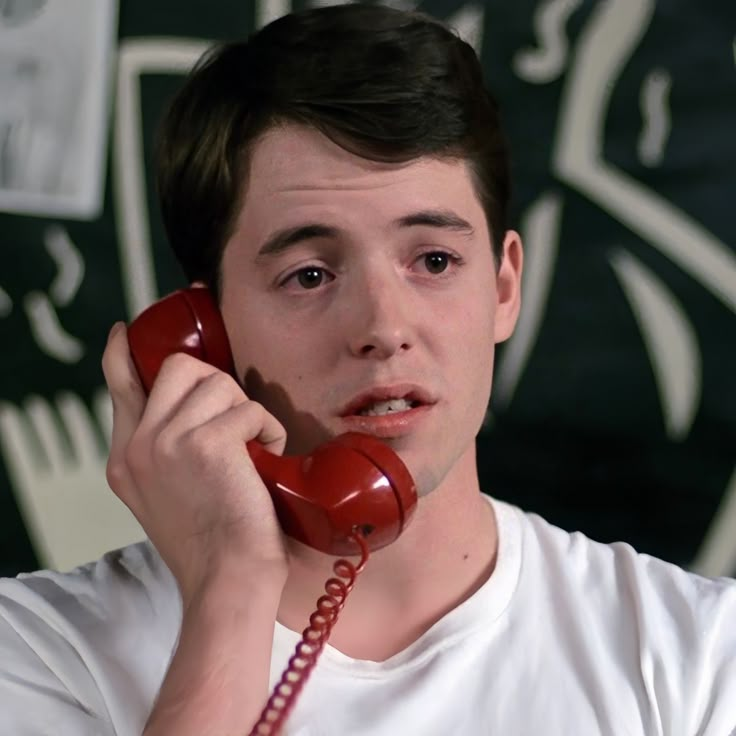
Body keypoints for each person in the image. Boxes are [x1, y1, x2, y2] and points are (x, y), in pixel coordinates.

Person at [1, 4, 735, 735]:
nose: (384, 329)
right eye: (311, 275)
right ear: (206, 335)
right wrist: (233, 586)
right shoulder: (38, 652)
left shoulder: (700, 657)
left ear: (504, 288)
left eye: (436, 260)